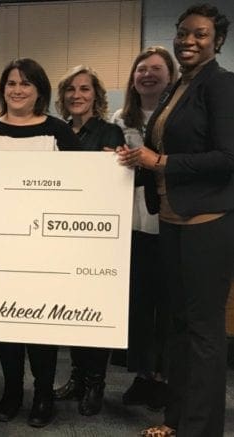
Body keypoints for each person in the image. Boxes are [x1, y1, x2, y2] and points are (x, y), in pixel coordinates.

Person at [117, 4, 234, 436]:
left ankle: (200, 430)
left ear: (217, 41)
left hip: (209, 222)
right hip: (171, 219)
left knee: (204, 334)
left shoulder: (222, 86)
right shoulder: (177, 88)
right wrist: (136, 160)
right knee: (179, 328)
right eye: (183, 33)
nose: (189, 41)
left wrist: (160, 161)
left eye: (200, 35)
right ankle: (176, 420)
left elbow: (227, 159)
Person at [0, 58, 81, 428]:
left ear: (40, 91)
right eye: (11, 83)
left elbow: (81, 190)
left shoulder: (59, 134)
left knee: (40, 329)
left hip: (43, 252)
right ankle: (12, 390)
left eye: (26, 84)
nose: (17, 90)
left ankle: (43, 394)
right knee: (5, 328)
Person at [52, 65, 125, 416]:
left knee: (95, 314)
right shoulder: (58, 132)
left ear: (96, 95)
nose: (77, 95)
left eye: (84, 89)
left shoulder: (110, 132)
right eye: (71, 90)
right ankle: (78, 378)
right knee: (73, 313)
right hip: (63, 234)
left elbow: (121, 183)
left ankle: (96, 384)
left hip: (98, 237)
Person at [110, 46, 176, 412]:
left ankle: (166, 377)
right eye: (141, 69)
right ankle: (143, 374)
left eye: (156, 69)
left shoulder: (179, 116)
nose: (147, 75)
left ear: (171, 75)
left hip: (170, 220)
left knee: (167, 304)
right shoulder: (122, 118)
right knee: (138, 303)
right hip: (132, 223)